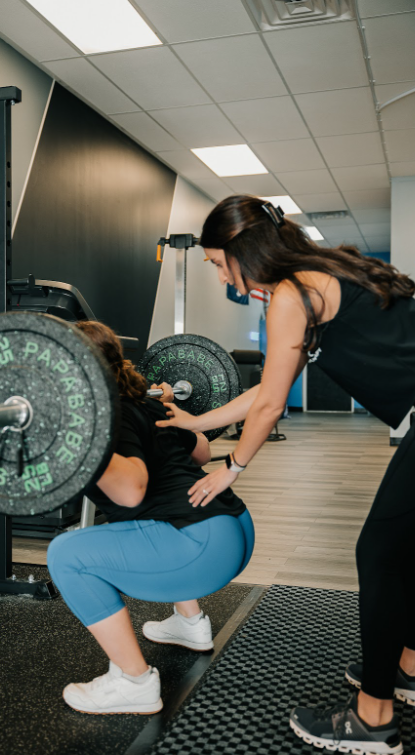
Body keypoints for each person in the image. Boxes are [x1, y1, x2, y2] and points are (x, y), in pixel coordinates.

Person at [157, 194, 415, 755]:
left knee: (380, 552)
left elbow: (272, 404)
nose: (224, 277)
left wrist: (232, 466)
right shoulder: (315, 278)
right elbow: (266, 386)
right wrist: (198, 419)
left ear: (241, 251)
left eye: (219, 264)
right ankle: (408, 668)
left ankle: (373, 720)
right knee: (402, 547)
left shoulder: (294, 293)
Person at [46, 320, 255, 715]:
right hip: (232, 527)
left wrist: (75, 436)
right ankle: (189, 624)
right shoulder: (147, 401)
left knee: (66, 554)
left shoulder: (107, 414)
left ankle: (133, 681)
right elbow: (201, 453)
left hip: (200, 545)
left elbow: (131, 490)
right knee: (138, 524)